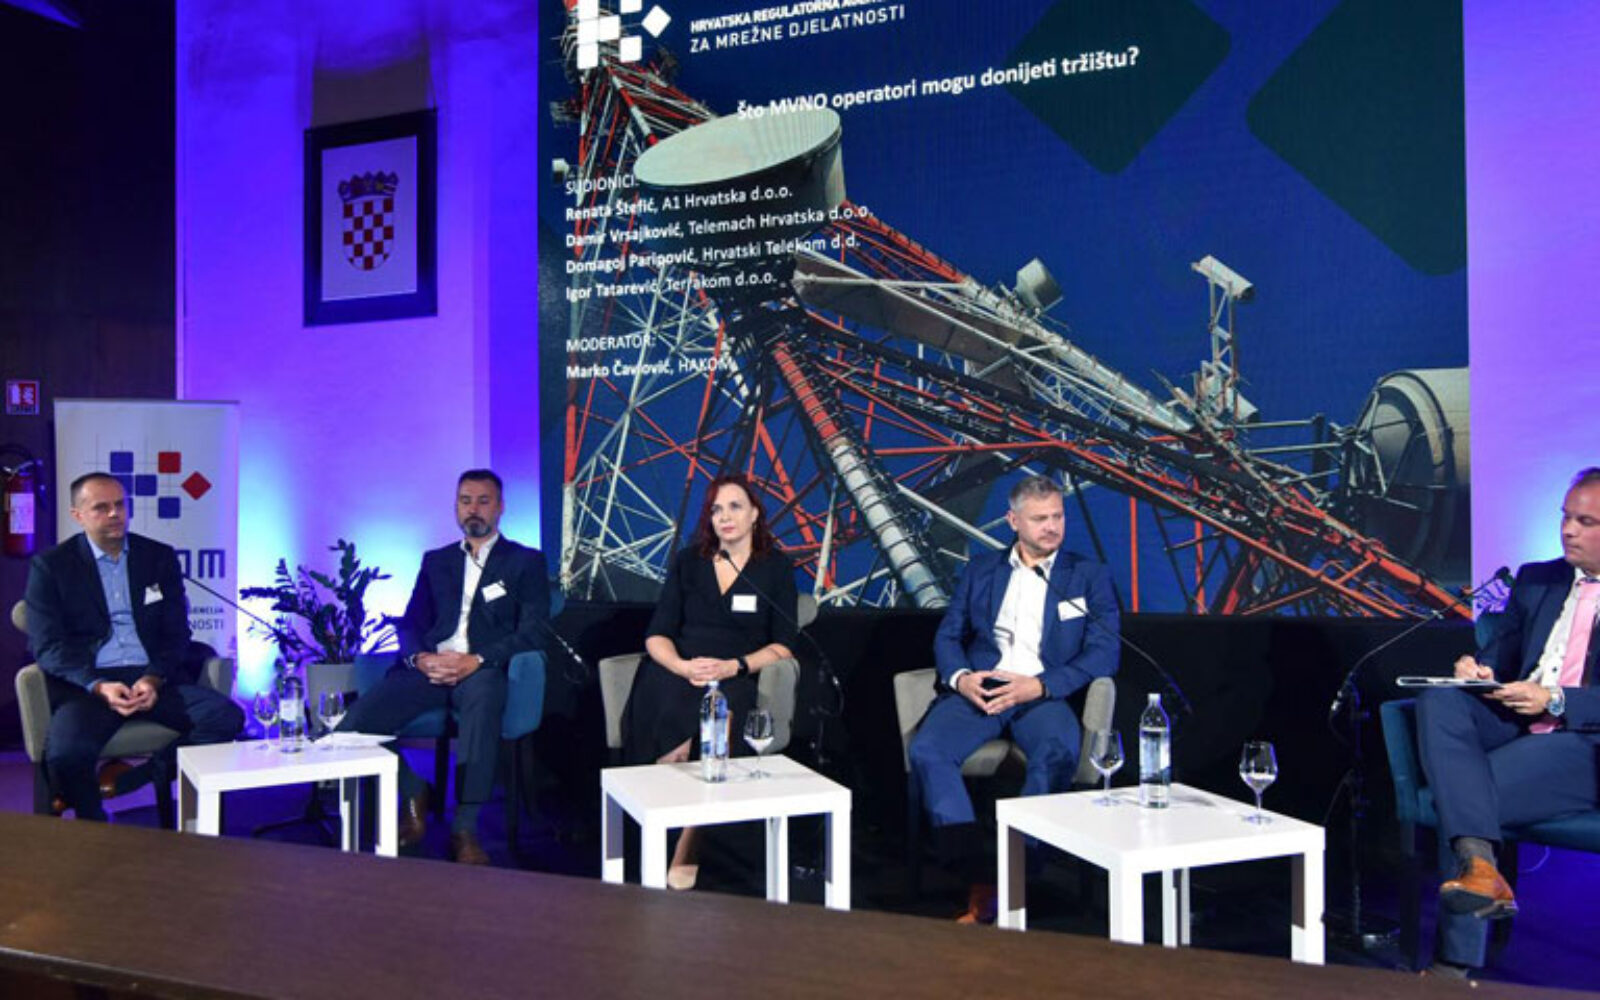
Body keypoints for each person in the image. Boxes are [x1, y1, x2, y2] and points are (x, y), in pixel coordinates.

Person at [909, 474, 1120, 923]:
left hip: (1043, 693)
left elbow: (1105, 651)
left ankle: (1018, 874)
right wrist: (962, 678)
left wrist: (1041, 685)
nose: (1052, 526)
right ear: (1013, 521)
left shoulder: (1088, 575)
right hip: (983, 688)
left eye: (1058, 516)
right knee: (928, 750)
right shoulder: (981, 570)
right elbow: (949, 635)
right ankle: (974, 875)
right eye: (1040, 518)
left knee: (1057, 753)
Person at [1417, 466, 1600, 979]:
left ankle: (1454, 965)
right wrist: (1478, 670)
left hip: (1585, 741)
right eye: (1565, 517)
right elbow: (1503, 653)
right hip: (1519, 720)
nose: (1568, 531)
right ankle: (1481, 868)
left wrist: (1556, 699)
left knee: (1464, 794)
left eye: (1586, 522)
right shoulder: (1539, 578)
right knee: (1441, 701)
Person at [338, 469, 550, 865]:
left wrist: (478, 660)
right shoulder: (436, 561)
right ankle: (413, 789)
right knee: (354, 724)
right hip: (430, 668)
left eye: (483, 501)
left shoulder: (525, 561)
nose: (473, 509)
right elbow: (411, 623)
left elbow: (535, 630)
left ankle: (464, 829)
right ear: (456, 507)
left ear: (500, 507)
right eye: (465, 501)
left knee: (484, 701)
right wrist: (420, 658)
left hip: (482, 669)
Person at [24, 472, 245, 821]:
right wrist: (98, 685)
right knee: (66, 755)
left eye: (120, 505)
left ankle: (152, 772)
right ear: (77, 515)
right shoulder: (51, 567)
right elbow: (48, 646)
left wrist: (153, 678)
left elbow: (176, 633)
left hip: (151, 678)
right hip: (91, 685)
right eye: (101, 508)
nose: (115, 514)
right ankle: (94, 823)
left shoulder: (157, 557)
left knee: (226, 717)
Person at [622, 472, 798, 889]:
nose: (725, 517)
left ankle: (689, 842)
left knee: (722, 712)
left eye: (735, 507)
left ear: (755, 514)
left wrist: (735, 666)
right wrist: (683, 667)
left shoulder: (774, 567)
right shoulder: (689, 562)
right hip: (680, 669)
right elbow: (657, 634)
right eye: (716, 509)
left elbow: (784, 645)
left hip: (736, 671)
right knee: (673, 714)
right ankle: (658, 828)